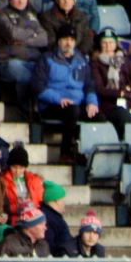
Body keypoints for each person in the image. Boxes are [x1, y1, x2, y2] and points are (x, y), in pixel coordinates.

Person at [32, 27, 99, 164]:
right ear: (58, 41)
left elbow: (89, 85)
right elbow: (38, 87)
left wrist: (92, 102)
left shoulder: (81, 61)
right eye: (65, 40)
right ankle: (65, 153)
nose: (68, 43)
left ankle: (89, 157)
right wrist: (58, 99)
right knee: (72, 111)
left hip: (77, 104)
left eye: (72, 40)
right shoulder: (47, 59)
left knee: (99, 116)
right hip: (52, 105)